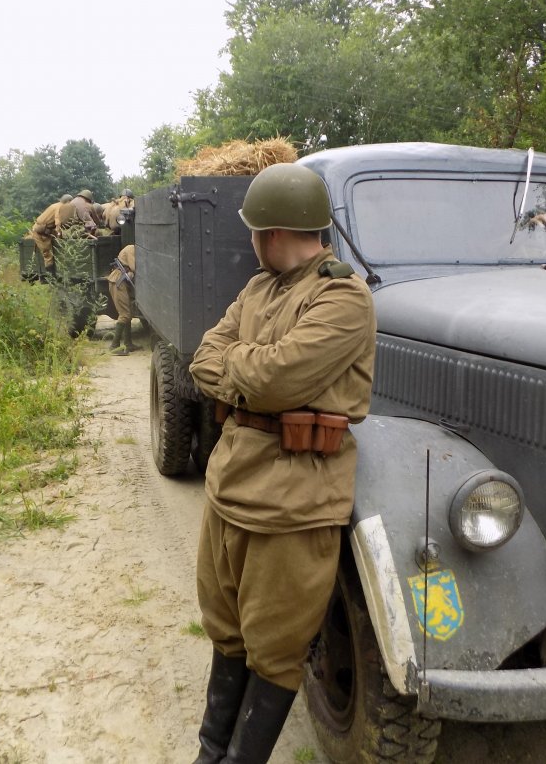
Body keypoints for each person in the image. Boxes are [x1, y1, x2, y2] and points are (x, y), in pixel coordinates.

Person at [187, 164, 376, 764]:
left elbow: (273, 380)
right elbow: (203, 359)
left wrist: (246, 372)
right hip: (231, 484)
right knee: (226, 630)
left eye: (252, 230)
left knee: (274, 651)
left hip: (293, 500)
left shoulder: (343, 297)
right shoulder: (258, 289)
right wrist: (252, 374)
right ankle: (210, 754)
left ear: (270, 232)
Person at [105, 244, 137, 355]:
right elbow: (134, 267)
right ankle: (114, 346)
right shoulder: (131, 249)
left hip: (121, 281)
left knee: (128, 313)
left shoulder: (132, 249)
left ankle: (128, 344)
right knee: (124, 314)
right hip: (118, 281)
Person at [28, 194, 74, 269]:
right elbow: (57, 221)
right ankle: (50, 273)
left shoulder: (55, 205)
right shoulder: (60, 207)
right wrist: (58, 233)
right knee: (47, 254)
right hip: (42, 232)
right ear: (68, 201)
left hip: (45, 230)